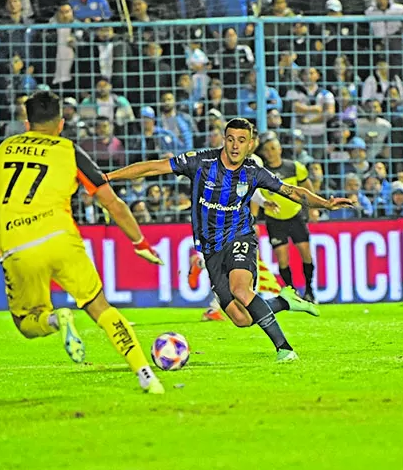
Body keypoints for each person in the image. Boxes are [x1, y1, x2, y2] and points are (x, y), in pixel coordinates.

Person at [0, 91, 168, 395]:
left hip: (16, 245)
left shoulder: (3, 149)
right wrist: (140, 242)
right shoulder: (69, 150)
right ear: (61, 123)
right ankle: (145, 374)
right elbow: (113, 204)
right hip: (60, 238)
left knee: (26, 324)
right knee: (99, 306)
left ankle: (55, 318)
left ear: (27, 123)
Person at [106, 118, 355, 362]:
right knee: (242, 318)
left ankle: (285, 349)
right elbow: (154, 167)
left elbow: (293, 192)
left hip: (240, 236)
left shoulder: (254, 172)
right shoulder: (200, 162)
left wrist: (325, 203)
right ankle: (283, 301)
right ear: (224, 140)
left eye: (242, 141)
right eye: (231, 139)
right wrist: (108, 178)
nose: (235, 146)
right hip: (211, 249)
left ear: (250, 145)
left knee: (240, 289)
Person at [254, 133, 319, 303]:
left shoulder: (295, 167)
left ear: (280, 149)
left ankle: (310, 290)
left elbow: (307, 188)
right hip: (274, 220)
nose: (270, 152)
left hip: (295, 216)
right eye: (266, 150)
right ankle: (292, 292)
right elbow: (255, 196)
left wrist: (313, 209)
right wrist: (252, 220)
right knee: (282, 259)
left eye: (273, 148)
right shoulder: (262, 173)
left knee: (306, 253)